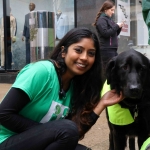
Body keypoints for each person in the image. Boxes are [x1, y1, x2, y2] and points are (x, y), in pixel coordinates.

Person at [0, 27, 123, 150]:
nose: (85, 57)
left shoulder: (74, 86)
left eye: (91, 53)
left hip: (35, 142)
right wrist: (46, 132)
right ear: (63, 51)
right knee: (66, 129)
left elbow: (74, 134)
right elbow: (3, 113)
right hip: (6, 141)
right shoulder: (42, 71)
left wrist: (101, 104)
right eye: (78, 50)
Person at [93, 0, 125, 70]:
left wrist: (119, 27)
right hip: (106, 50)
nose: (113, 12)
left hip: (112, 50)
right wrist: (116, 26)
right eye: (111, 10)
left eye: (114, 10)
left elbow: (114, 34)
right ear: (105, 9)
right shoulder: (101, 20)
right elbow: (105, 33)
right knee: (108, 70)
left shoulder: (109, 19)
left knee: (113, 69)